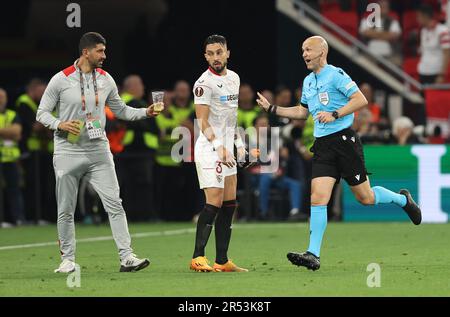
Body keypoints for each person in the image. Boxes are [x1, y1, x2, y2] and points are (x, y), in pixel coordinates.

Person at [256, 35, 422, 271]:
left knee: (366, 198)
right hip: (323, 145)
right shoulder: (308, 81)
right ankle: (313, 254)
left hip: (345, 142)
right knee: (318, 197)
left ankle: (403, 200)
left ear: (322, 52)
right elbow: (303, 112)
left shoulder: (336, 74)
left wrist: (335, 114)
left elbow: (360, 99)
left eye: (308, 49)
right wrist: (273, 108)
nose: (304, 54)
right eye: (302, 50)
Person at [36, 32, 164, 273]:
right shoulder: (60, 80)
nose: (104, 56)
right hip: (68, 149)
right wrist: (58, 124)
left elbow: (122, 111)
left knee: (115, 203)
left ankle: (127, 257)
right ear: (86, 52)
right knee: (65, 208)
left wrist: (146, 112)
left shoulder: (106, 80)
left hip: (98, 150)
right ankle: (67, 260)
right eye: (100, 51)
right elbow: (41, 112)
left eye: (104, 51)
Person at [190, 34, 247, 272]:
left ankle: (222, 260)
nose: (216, 57)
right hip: (210, 147)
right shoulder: (203, 84)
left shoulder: (234, 78)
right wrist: (219, 146)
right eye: (211, 53)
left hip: (227, 148)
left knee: (230, 202)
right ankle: (197, 257)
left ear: (227, 53)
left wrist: (239, 143)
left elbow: (230, 118)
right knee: (213, 200)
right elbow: (202, 121)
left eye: (219, 52)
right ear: (205, 56)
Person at [0, 88, 25, 226]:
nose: (1, 100)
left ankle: (18, 219)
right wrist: (8, 132)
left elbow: (17, 132)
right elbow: (13, 132)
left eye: (2, 97)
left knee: (14, 190)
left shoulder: (12, 114)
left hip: (11, 159)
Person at [417, 4, 450, 84]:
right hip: (423, 71)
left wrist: (441, 75)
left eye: (419, 16)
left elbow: (447, 54)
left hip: (436, 73)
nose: (417, 19)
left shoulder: (443, 31)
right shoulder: (423, 31)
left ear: (425, 16)